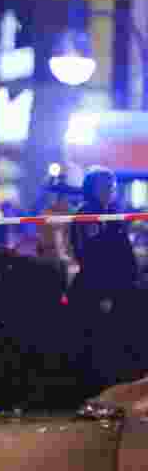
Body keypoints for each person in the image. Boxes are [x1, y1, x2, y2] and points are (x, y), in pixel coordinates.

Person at [69, 165, 139, 395]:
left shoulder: (112, 213)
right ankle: (93, 394)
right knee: (97, 346)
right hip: (95, 290)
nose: (111, 190)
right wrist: (103, 293)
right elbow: (93, 256)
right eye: (105, 186)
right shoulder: (87, 214)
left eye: (112, 186)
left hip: (118, 289)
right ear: (92, 188)